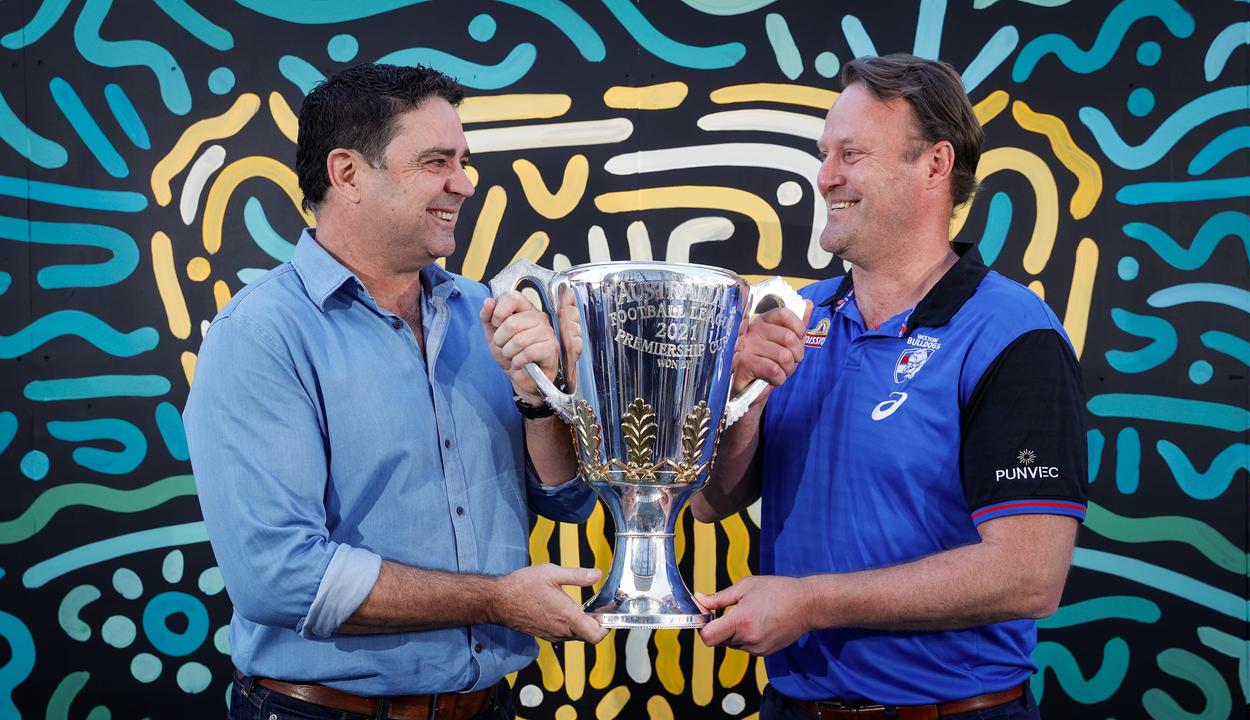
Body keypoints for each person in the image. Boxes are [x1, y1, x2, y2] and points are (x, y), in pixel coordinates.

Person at [184, 63, 606, 720]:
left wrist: (537, 399)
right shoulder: (261, 335)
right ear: (347, 173)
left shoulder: (487, 312)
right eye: (436, 161)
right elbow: (280, 577)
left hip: (483, 707)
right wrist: (495, 599)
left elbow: (567, 500)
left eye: (464, 161)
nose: (464, 185)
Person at [692, 54, 1087, 720]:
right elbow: (714, 502)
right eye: (824, 154)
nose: (826, 177)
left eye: (851, 154)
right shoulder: (794, 314)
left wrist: (811, 602)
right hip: (793, 706)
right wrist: (737, 395)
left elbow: (1029, 576)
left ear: (934, 164)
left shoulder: (1012, 332)